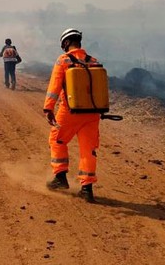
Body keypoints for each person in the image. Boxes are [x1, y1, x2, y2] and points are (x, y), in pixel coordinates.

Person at [44, 28, 101, 203]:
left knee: (57, 139)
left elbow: (55, 86)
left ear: (66, 43)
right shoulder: (93, 61)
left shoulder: (63, 60)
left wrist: (48, 108)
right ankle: (87, 189)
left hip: (69, 112)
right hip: (92, 114)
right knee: (88, 150)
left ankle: (60, 178)